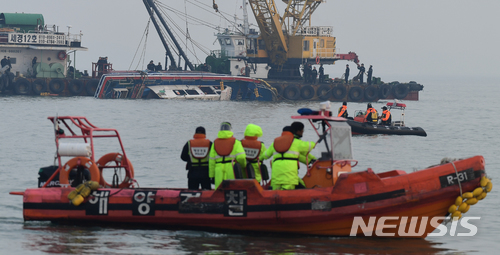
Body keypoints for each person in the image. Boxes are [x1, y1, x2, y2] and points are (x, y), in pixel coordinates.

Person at [260, 126, 316, 190]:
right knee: (289, 190)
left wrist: (260, 158)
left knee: (276, 192)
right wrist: (314, 143)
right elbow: (309, 146)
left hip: (276, 173)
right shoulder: (296, 142)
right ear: (293, 133)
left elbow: (265, 155)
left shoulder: (275, 142)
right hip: (289, 174)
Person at [209, 122, 247, 189]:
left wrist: (211, 176)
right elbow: (241, 157)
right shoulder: (236, 142)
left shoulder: (215, 143)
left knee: (219, 192)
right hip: (231, 169)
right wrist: (242, 166)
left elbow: (211, 161)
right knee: (232, 190)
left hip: (218, 170)